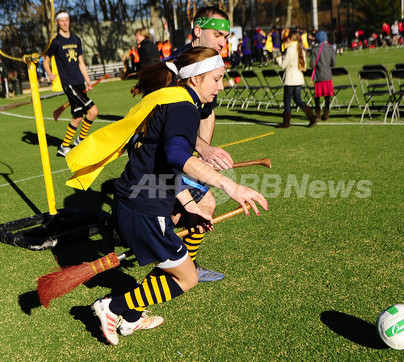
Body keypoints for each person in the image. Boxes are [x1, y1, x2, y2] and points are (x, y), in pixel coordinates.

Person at [87, 47, 268, 346]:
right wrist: (232, 187)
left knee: (176, 263)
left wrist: (190, 206)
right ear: (195, 79)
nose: (221, 86)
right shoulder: (184, 108)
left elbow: (165, 164)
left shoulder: (167, 99)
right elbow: (178, 156)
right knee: (188, 278)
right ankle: (112, 306)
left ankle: (130, 319)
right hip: (144, 209)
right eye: (217, 79)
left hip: (132, 202)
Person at [163, 6, 233, 282]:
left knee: (198, 207)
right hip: (163, 158)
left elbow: (206, 113)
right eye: (218, 35)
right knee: (200, 205)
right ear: (198, 31)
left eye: (226, 37)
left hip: (183, 155)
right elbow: (170, 126)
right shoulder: (175, 68)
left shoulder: (211, 63)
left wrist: (203, 154)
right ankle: (181, 268)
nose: (222, 42)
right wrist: (202, 150)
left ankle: (184, 265)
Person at [43, 11, 98, 157]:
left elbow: (81, 62)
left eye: (67, 20)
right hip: (69, 84)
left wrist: (87, 80)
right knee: (93, 111)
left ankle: (64, 146)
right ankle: (80, 141)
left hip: (79, 82)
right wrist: (50, 73)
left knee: (78, 117)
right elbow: (45, 60)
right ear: (57, 23)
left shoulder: (76, 39)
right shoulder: (56, 42)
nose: (65, 23)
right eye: (62, 21)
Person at [276, 31, 318, 128]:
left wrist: (278, 57)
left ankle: (286, 123)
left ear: (291, 39)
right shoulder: (300, 49)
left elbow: (283, 65)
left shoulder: (290, 50)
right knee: (297, 99)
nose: (286, 39)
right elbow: (304, 66)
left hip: (290, 78)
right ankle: (312, 117)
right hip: (298, 78)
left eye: (288, 38)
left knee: (287, 100)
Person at [309, 31, 336, 122]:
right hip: (327, 75)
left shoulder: (314, 50)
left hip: (318, 75)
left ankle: (318, 115)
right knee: (327, 96)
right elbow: (334, 63)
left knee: (317, 96)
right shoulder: (330, 49)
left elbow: (312, 64)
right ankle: (326, 114)